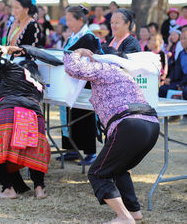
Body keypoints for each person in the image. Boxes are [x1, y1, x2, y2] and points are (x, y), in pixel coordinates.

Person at [63, 46, 159, 224]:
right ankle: (133, 210)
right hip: (151, 125)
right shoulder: (125, 73)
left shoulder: (103, 67)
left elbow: (72, 68)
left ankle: (124, 217)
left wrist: (78, 52)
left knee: (98, 173)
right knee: (118, 168)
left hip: (130, 125)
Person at [0, 45, 50, 199]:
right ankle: (39, 188)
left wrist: (6, 49)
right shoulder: (39, 86)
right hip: (34, 117)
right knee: (33, 154)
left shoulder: (14, 69)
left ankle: (8, 189)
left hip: (9, 114)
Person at [59, 5, 102, 165]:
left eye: (71, 19)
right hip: (71, 82)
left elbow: (90, 60)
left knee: (85, 117)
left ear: (81, 20)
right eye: (67, 19)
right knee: (71, 115)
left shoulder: (88, 37)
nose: (67, 22)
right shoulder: (73, 36)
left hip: (85, 84)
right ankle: (72, 149)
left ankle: (90, 152)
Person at [159, 29, 187, 100]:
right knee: (162, 89)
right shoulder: (181, 53)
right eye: (181, 39)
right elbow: (175, 69)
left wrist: (182, 83)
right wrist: (170, 78)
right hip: (181, 80)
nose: (182, 41)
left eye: (185, 38)